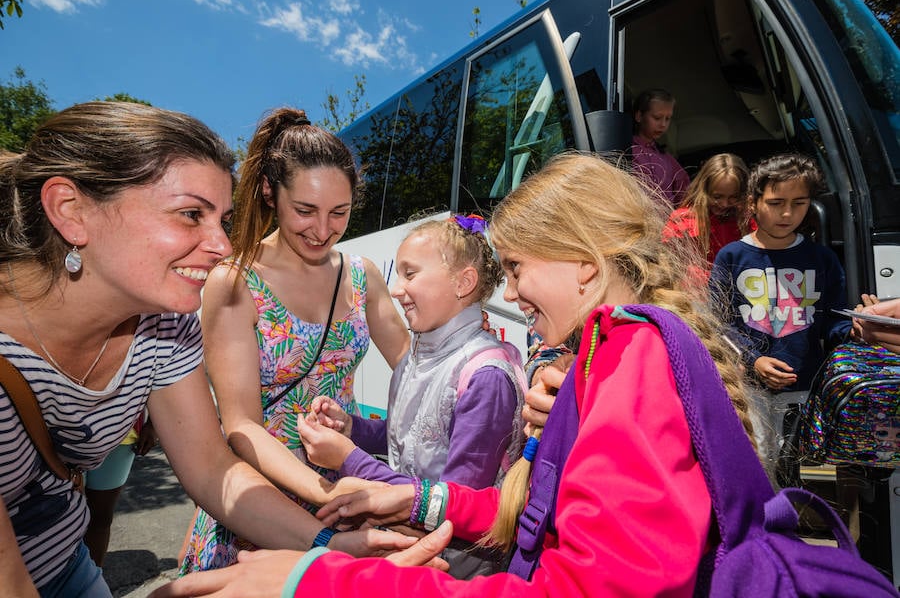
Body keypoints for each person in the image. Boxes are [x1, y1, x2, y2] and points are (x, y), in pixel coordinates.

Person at [152, 152, 757, 598]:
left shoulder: (629, 366)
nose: (511, 292)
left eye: (517, 268)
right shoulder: (617, 355)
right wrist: (405, 487)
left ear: (585, 261)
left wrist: (324, 575)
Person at [0, 101, 417, 597]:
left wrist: (328, 541)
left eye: (219, 217)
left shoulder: (165, 323)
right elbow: (238, 427)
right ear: (71, 210)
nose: (221, 245)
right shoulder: (230, 285)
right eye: (190, 214)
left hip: (69, 563)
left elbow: (210, 465)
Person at [179, 107, 412, 573]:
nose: (323, 231)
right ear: (270, 192)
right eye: (305, 210)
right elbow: (241, 425)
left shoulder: (362, 276)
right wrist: (323, 490)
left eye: (339, 213)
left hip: (347, 489)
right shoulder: (236, 282)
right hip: (263, 500)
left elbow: (416, 369)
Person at [298, 215, 526, 579]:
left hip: (455, 572)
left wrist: (348, 458)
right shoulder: (415, 358)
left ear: (463, 282)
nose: (395, 288)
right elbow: (415, 433)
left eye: (410, 273)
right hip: (412, 551)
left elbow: (455, 504)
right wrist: (351, 428)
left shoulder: (486, 377)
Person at [711, 153, 852, 472]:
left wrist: (859, 329)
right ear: (753, 201)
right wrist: (753, 360)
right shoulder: (731, 256)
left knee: (800, 472)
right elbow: (719, 324)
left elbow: (834, 323)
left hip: (805, 389)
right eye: (776, 203)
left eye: (799, 203)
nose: (787, 213)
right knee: (754, 467)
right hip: (748, 392)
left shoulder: (823, 259)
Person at [83, 412, 157, 566]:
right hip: (64, 435)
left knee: (101, 518)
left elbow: (157, 387)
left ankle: (94, 581)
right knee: (64, 516)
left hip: (122, 434)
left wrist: (152, 425)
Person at [663, 153, 752, 272]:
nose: (724, 203)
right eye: (717, 196)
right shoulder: (684, 219)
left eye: (733, 197)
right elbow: (668, 259)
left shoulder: (746, 218)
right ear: (703, 190)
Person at [630, 88, 690, 206]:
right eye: (657, 118)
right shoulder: (627, 151)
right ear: (639, 116)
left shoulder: (667, 158)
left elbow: (685, 192)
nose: (663, 124)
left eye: (667, 119)